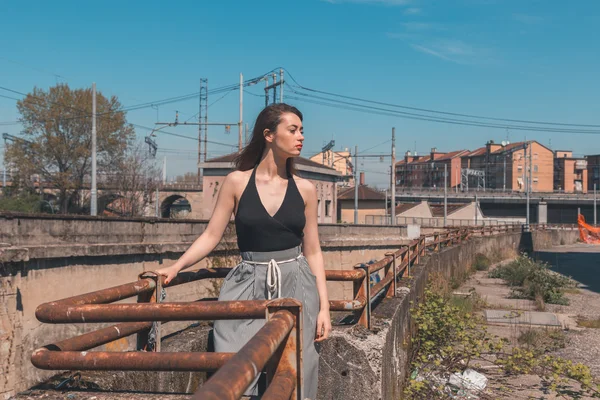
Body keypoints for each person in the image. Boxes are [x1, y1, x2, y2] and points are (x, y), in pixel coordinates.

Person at [156, 103, 331, 399]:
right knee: (234, 361)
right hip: (247, 280)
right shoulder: (236, 181)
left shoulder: (306, 189)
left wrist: (325, 307)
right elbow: (211, 235)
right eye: (293, 129)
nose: (301, 136)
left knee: (298, 366)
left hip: (297, 282)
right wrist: (176, 266)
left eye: (302, 130)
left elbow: (313, 251)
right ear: (269, 135)